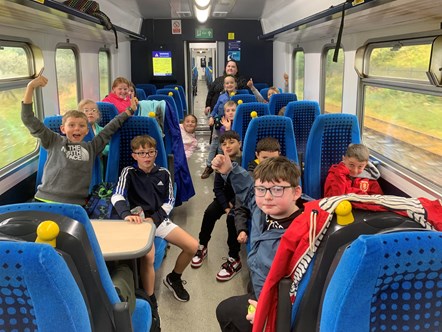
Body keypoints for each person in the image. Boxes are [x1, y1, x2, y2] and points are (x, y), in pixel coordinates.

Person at [212, 155, 303, 331]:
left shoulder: (302, 234)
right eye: (261, 189)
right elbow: (247, 190)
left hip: (276, 303)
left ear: (296, 193)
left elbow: (299, 289)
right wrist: (230, 170)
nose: (267, 197)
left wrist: (268, 312)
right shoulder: (262, 210)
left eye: (277, 189)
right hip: (258, 280)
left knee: (224, 311)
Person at [22, 75, 135, 206]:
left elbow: (111, 127)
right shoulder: (53, 140)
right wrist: (30, 87)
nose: (77, 129)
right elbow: (28, 118)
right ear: (63, 128)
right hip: (45, 199)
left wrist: (130, 110)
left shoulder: (92, 147)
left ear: (87, 130)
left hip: (77, 204)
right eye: (72, 125)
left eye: (82, 126)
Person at [111, 135, 198, 303]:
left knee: (192, 246)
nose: (147, 156)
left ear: (156, 153)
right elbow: (117, 196)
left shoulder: (164, 173)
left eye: (150, 152)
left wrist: (155, 219)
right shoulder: (128, 172)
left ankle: (174, 278)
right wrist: (126, 214)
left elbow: (169, 201)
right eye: (142, 153)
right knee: (149, 257)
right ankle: (151, 300)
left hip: (158, 220)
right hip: (138, 222)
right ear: (134, 155)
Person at [192, 131, 243, 281]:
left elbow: (247, 187)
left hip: (242, 201)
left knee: (232, 219)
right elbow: (218, 189)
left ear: (240, 144)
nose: (227, 146)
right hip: (226, 200)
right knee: (210, 212)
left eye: (231, 142)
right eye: (224, 144)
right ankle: (202, 245)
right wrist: (226, 206)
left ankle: (234, 258)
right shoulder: (220, 161)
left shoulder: (245, 161)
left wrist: (233, 207)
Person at [235, 137, 281, 245]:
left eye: (273, 158)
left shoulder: (286, 176)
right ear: (257, 155)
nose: (269, 162)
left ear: (279, 155)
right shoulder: (249, 178)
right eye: (264, 158)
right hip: (260, 219)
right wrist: (242, 229)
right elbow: (241, 206)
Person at [201, 79, 238, 179]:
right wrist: (211, 117)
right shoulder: (221, 97)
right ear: (224, 85)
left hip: (233, 124)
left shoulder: (238, 97)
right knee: (214, 145)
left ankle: (221, 167)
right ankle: (209, 166)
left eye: (231, 83)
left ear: (235, 84)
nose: (229, 85)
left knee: (223, 148)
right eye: (227, 83)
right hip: (220, 124)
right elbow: (216, 108)